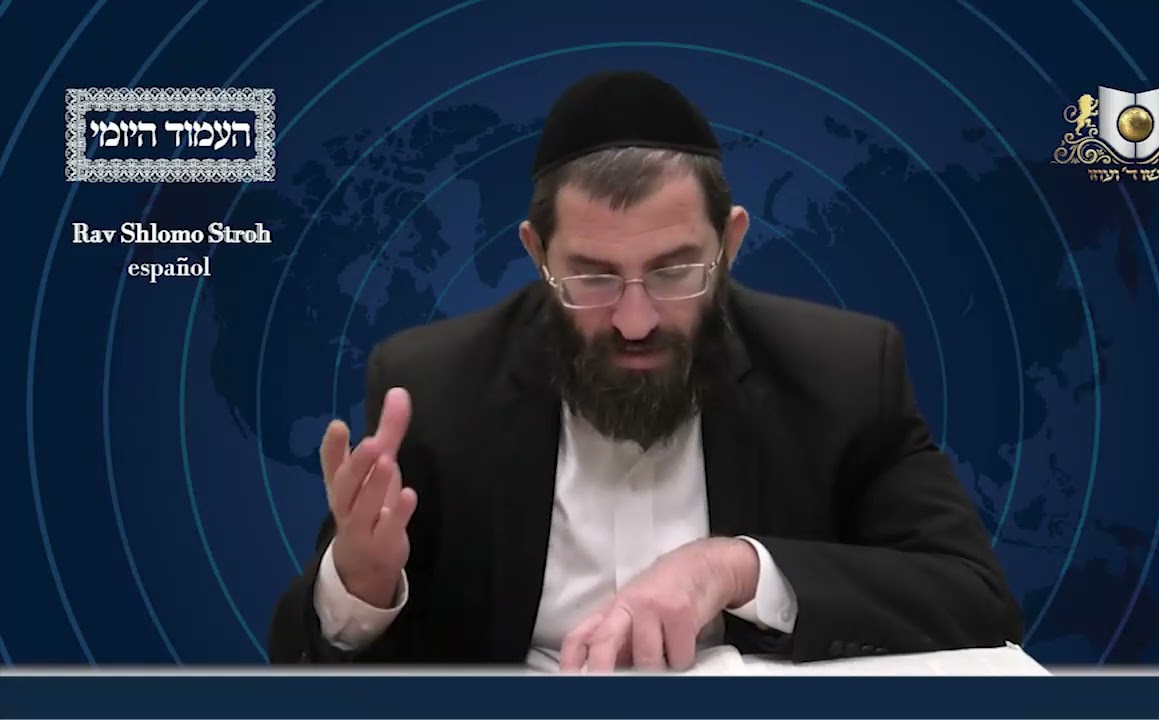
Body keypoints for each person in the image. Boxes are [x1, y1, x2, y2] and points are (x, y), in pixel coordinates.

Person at [267, 69, 1022, 672]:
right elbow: (302, 657)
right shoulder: (434, 386)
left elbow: (976, 596)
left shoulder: (844, 373)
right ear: (536, 253)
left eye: (674, 271)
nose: (635, 320)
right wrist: (361, 585)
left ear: (730, 243)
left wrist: (735, 569)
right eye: (592, 277)